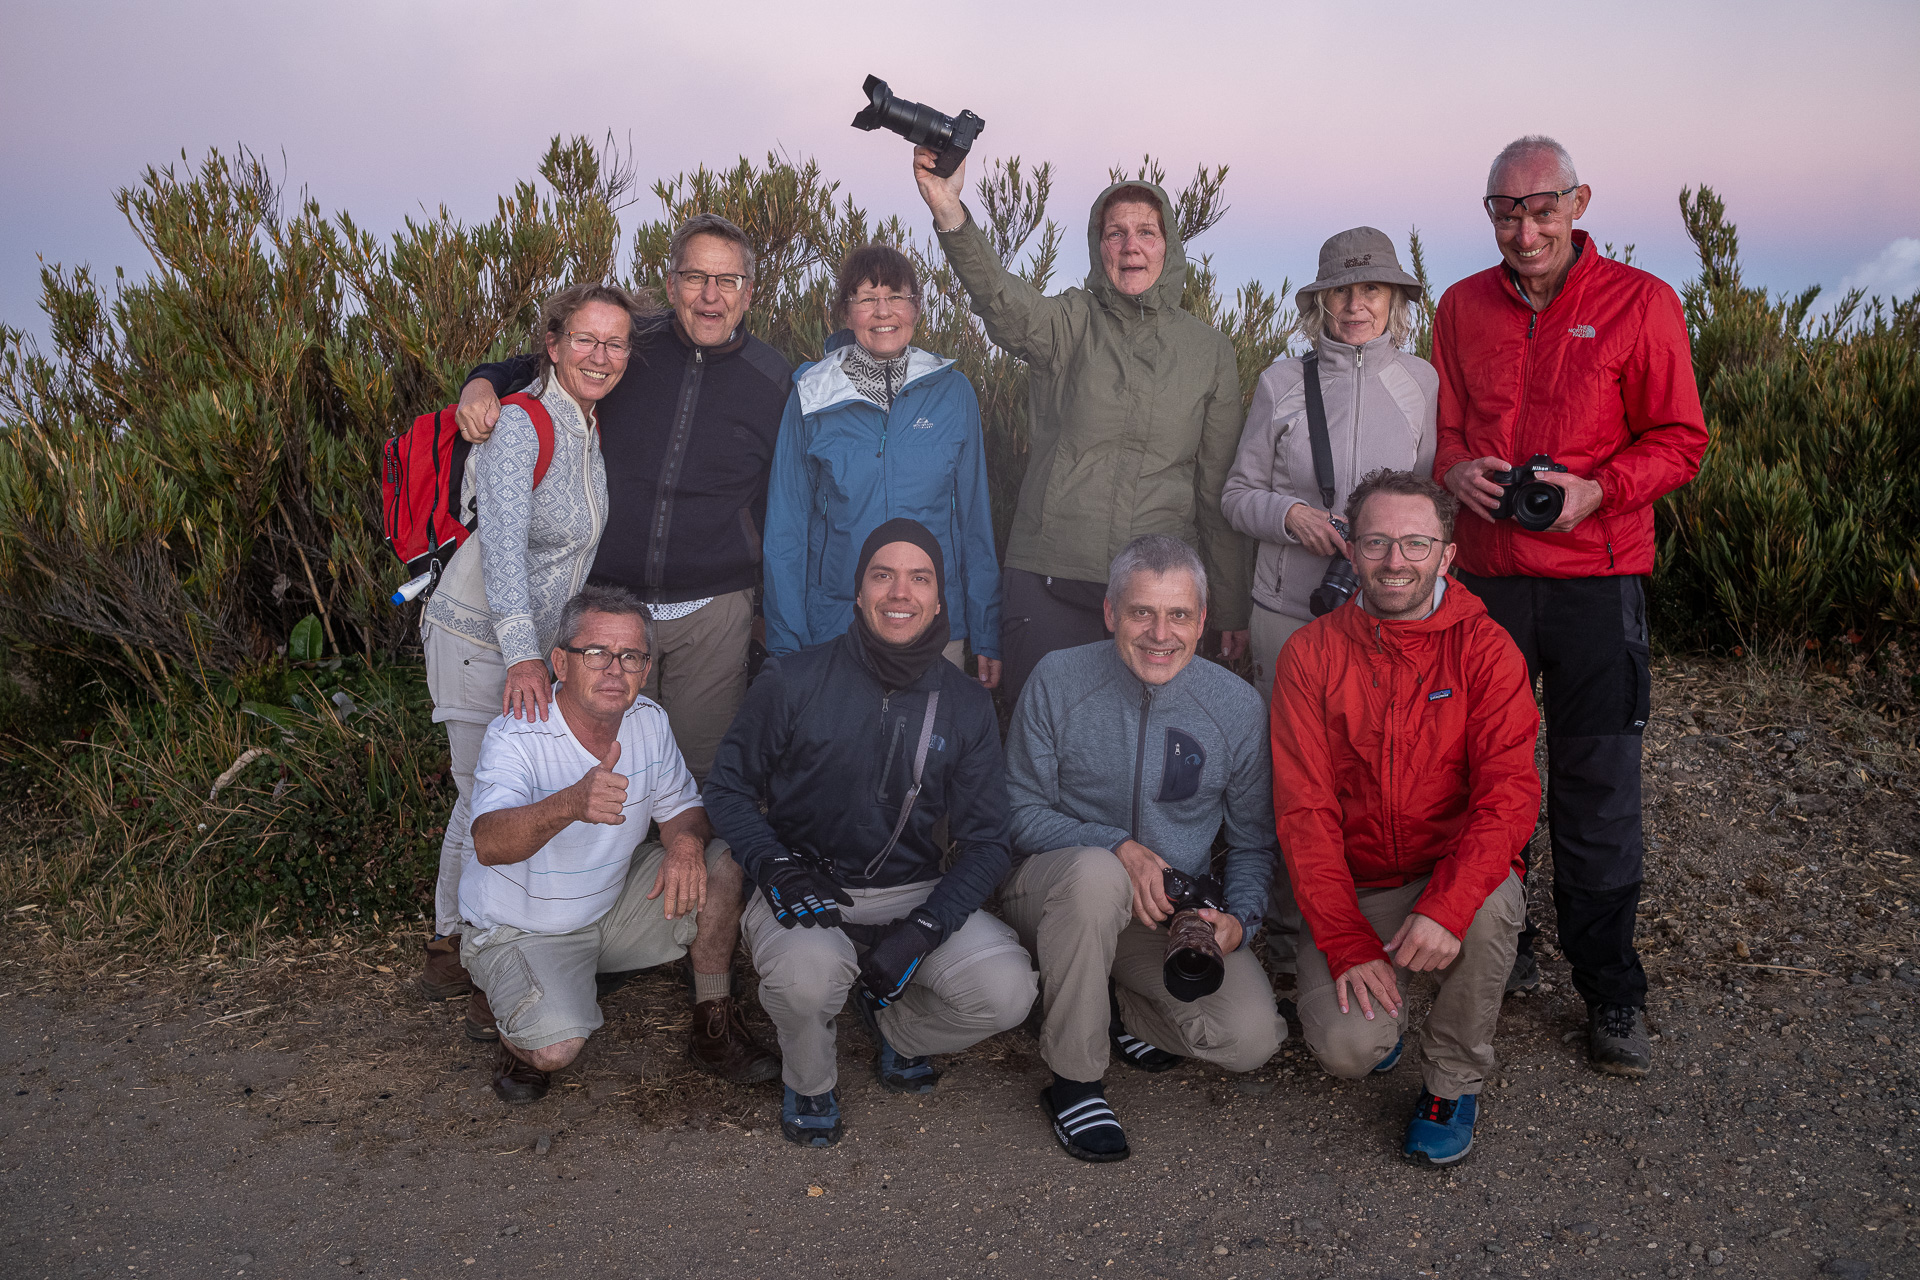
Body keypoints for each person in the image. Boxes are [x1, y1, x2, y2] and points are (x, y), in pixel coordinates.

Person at [1432, 136, 1708, 1076]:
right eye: (1505, 210)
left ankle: (1612, 990)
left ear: (1579, 202)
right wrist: (1457, 471)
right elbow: (1443, 437)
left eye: (1542, 206)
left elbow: (1681, 439)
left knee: (1596, 795)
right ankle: (1503, 951)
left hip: (1599, 584)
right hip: (1489, 582)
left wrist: (1602, 490)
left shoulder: (1643, 303)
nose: (1525, 227)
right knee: (1484, 777)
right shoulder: (1460, 306)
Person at [705, 519, 1036, 1147]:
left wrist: (925, 928)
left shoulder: (965, 702)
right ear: (858, 592)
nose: (899, 593)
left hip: (912, 891)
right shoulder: (793, 679)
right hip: (804, 888)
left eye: (920, 578)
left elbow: (989, 840)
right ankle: (809, 1081)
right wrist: (772, 866)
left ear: (940, 598)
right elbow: (726, 789)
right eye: (882, 575)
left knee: (1007, 991)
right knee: (807, 980)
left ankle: (897, 1026)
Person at [454, 213, 790, 784]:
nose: (710, 296)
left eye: (727, 281)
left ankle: (684, 871)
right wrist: (481, 380)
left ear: (750, 292)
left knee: (698, 776)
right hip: (606, 612)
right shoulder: (630, 349)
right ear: (669, 285)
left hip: (711, 613)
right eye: (694, 277)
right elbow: (540, 364)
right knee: (595, 769)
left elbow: (782, 503)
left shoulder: (775, 379)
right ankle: (610, 875)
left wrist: (765, 613)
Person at [912, 149, 1252, 707]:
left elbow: (1215, 489)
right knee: (1041, 745)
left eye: (1146, 231)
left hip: (1156, 590)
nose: (1131, 245)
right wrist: (949, 208)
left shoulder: (1208, 352)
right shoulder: (1070, 321)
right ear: (1099, 248)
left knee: (1137, 758)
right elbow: (1002, 300)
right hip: (1050, 578)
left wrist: (1231, 605)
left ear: (1169, 245)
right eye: (1115, 233)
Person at [1271, 470, 1539, 1165]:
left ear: (1448, 554)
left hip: (1448, 873)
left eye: (1417, 543)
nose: (1397, 561)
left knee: (1486, 903)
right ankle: (1385, 1013)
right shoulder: (1311, 654)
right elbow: (1305, 812)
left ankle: (1451, 1079)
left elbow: (1508, 796)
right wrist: (1346, 938)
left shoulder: (1487, 650)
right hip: (1356, 886)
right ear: (1351, 550)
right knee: (1346, 1049)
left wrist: (1447, 906)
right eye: (1378, 542)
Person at [1001, 535, 1280, 1164]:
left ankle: (1116, 1008)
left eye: (1179, 615)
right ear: (1109, 614)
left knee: (1250, 1038)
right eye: (1140, 613)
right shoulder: (1057, 678)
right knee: (1099, 875)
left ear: (1203, 621)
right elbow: (1015, 815)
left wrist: (1237, 921)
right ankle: (1075, 1078)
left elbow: (1254, 842)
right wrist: (1115, 845)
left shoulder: (1235, 707)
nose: (1161, 634)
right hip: (1053, 892)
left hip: (1160, 917)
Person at [417, 282, 644, 1007]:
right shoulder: (523, 426)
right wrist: (523, 654)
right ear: (552, 345)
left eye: (615, 343)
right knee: (480, 794)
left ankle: (470, 937)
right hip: (479, 638)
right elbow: (507, 549)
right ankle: (457, 944)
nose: (600, 355)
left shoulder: (587, 425)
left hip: (531, 643)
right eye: (585, 339)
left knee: (497, 787)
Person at [461, 585, 778, 1102]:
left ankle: (714, 1022)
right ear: (560, 663)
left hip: (609, 910)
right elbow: (488, 843)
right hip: (524, 929)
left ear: (645, 669)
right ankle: (508, 1011)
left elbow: (684, 811)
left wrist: (683, 846)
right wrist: (569, 803)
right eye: (596, 654)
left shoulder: (647, 721)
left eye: (630, 656)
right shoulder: (517, 733)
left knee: (719, 863)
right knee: (557, 1050)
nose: (615, 669)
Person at [1221, 226, 1438, 979]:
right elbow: (1235, 496)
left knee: (1373, 769)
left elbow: (1428, 512)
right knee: (1291, 774)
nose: (1356, 305)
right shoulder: (1281, 382)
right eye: (1341, 291)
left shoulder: (1422, 384)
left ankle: (1361, 920)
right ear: (1319, 301)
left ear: (1396, 300)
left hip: (1385, 617)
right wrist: (1293, 517)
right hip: (1287, 609)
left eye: (1371, 289)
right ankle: (1285, 933)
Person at [762, 243, 1002, 687]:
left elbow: (974, 522)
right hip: (835, 622)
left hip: (934, 623)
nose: (883, 311)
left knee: (929, 753)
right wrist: (784, 643)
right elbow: (785, 530)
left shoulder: (954, 392)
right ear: (845, 311)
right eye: (866, 299)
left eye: (896, 296)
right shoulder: (812, 394)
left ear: (917, 307)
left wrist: (986, 632)